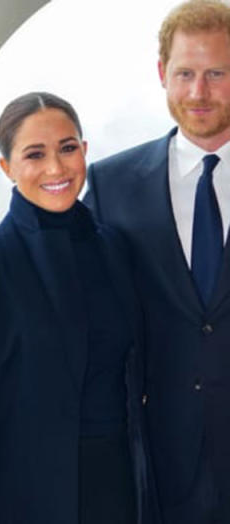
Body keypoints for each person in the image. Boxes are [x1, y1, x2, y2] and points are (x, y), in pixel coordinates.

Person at [0, 92, 149, 523]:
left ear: (84, 151)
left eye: (68, 148)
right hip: (26, 504)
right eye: (35, 154)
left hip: (122, 496)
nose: (56, 168)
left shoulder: (116, 250)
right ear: (6, 168)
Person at [84, 1, 230, 521]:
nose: (198, 92)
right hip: (156, 469)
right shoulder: (110, 184)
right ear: (162, 74)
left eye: (217, 73)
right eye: (186, 73)